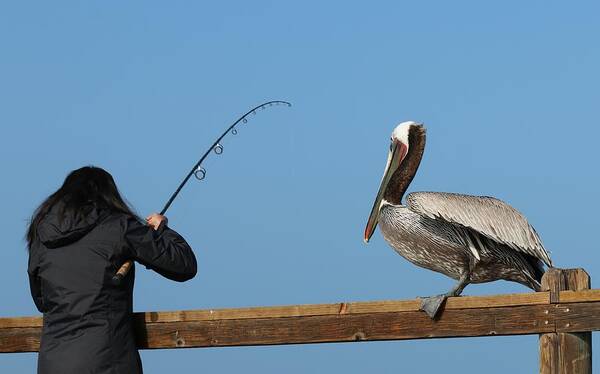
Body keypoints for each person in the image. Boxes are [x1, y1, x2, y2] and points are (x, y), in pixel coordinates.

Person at [26, 166, 197, 374]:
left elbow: (42, 300)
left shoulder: (41, 236)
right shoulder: (119, 226)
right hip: (110, 362)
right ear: (108, 196)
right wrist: (162, 230)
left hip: (53, 364)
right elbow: (183, 265)